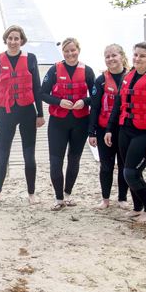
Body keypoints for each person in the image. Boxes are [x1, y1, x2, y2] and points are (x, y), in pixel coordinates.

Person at [105, 42, 146, 223]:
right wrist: (110, 129)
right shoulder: (129, 76)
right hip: (126, 131)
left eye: (142, 56)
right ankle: (137, 207)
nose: (137, 59)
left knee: (131, 173)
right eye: (135, 55)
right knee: (127, 170)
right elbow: (118, 105)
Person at [0, 25, 45, 205]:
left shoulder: (31, 59)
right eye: (10, 38)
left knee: (29, 157)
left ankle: (31, 194)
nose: (13, 42)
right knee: (2, 157)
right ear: (6, 40)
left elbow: (37, 87)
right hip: (5, 113)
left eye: (17, 38)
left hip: (27, 112)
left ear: (22, 40)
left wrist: (40, 113)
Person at [40, 38, 95, 210]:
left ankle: (68, 194)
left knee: (74, 159)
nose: (70, 54)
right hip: (58, 122)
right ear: (62, 52)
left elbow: (95, 96)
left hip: (80, 121)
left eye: (73, 50)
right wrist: (58, 101)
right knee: (56, 161)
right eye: (66, 51)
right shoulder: (54, 69)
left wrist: (84, 102)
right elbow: (42, 93)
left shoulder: (87, 71)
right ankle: (58, 198)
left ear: (78, 50)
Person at [88, 44, 131, 210]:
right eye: (107, 56)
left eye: (114, 55)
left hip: (124, 128)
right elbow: (95, 107)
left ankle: (122, 198)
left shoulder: (131, 76)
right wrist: (91, 132)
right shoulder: (100, 81)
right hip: (104, 129)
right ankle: (105, 199)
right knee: (106, 166)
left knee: (123, 165)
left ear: (121, 56)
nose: (111, 59)